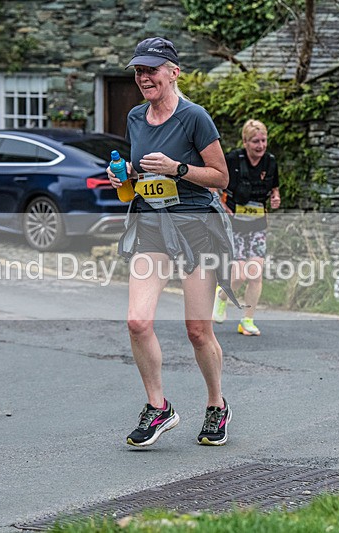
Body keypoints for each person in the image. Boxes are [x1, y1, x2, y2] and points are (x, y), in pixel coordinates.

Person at [108, 37, 239, 447]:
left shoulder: (194, 117)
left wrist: (178, 168)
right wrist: (125, 174)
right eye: (139, 71)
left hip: (195, 228)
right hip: (151, 225)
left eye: (151, 69)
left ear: (173, 72)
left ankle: (216, 404)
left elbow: (221, 177)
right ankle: (158, 407)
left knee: (197, 330)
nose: (143, 77)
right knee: (137, 321)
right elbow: (141, 169)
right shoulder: (135, 117)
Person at [212, 119, 281, 336]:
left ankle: (247, 321)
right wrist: (222, 205)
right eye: (255, 141)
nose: (260, 146)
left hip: (258, 226)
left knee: (255, 275)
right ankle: (221, 296)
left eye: (263, 140)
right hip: (235, 226)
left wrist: (276, 198)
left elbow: (274, 188)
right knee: (240, 275)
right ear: (245, 142)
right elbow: (213, 184)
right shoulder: (232, 159)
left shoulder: (270, 162)